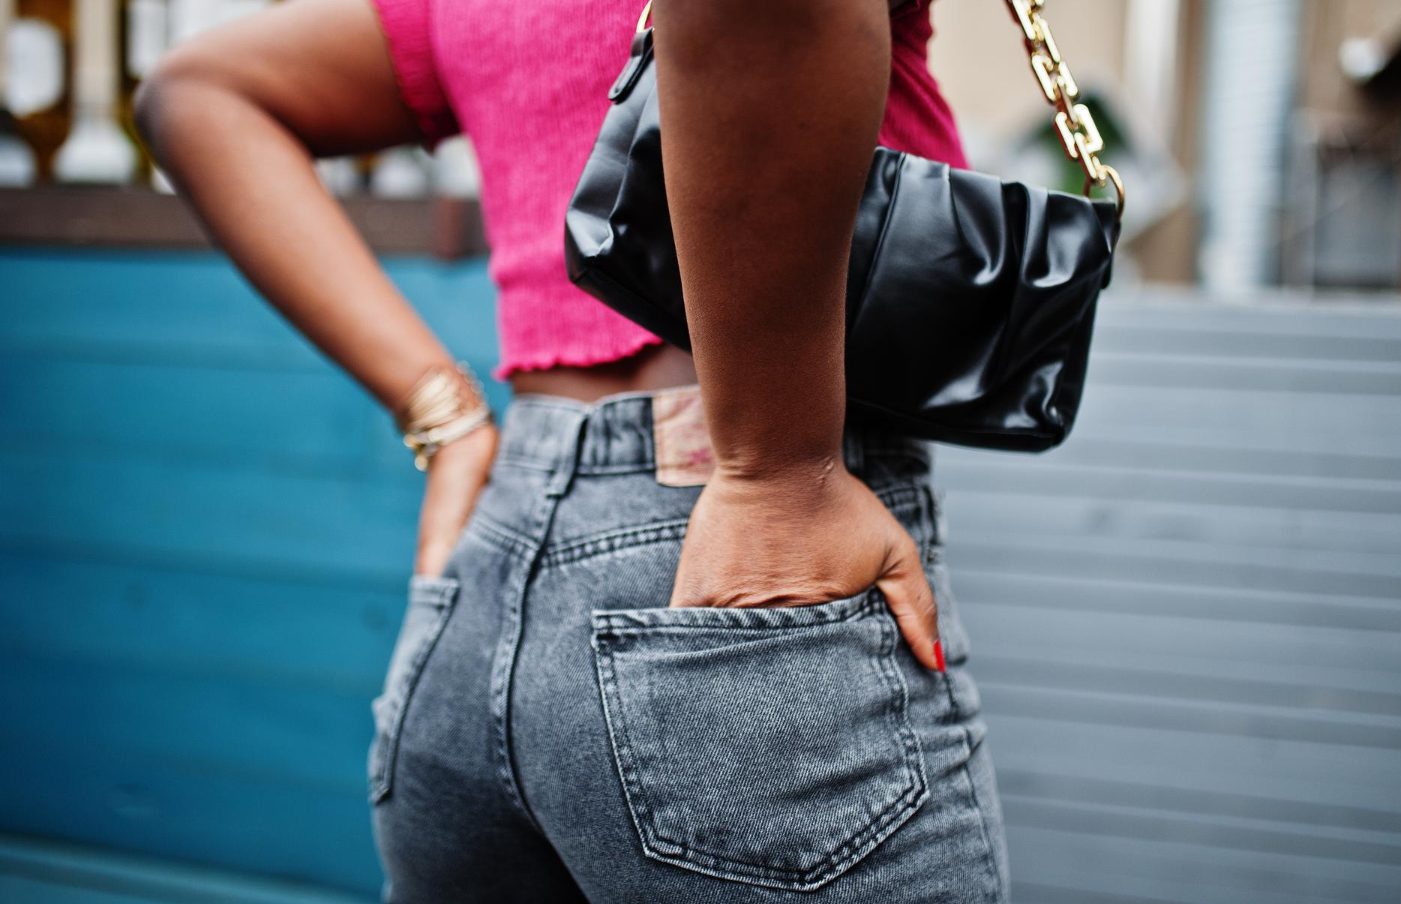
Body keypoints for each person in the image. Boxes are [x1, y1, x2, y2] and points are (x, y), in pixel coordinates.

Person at [133, 0, 1011, 900]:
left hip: (498, 568)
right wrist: (779, 471)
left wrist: (445, 418)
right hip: (740, 528)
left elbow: (197, 91)